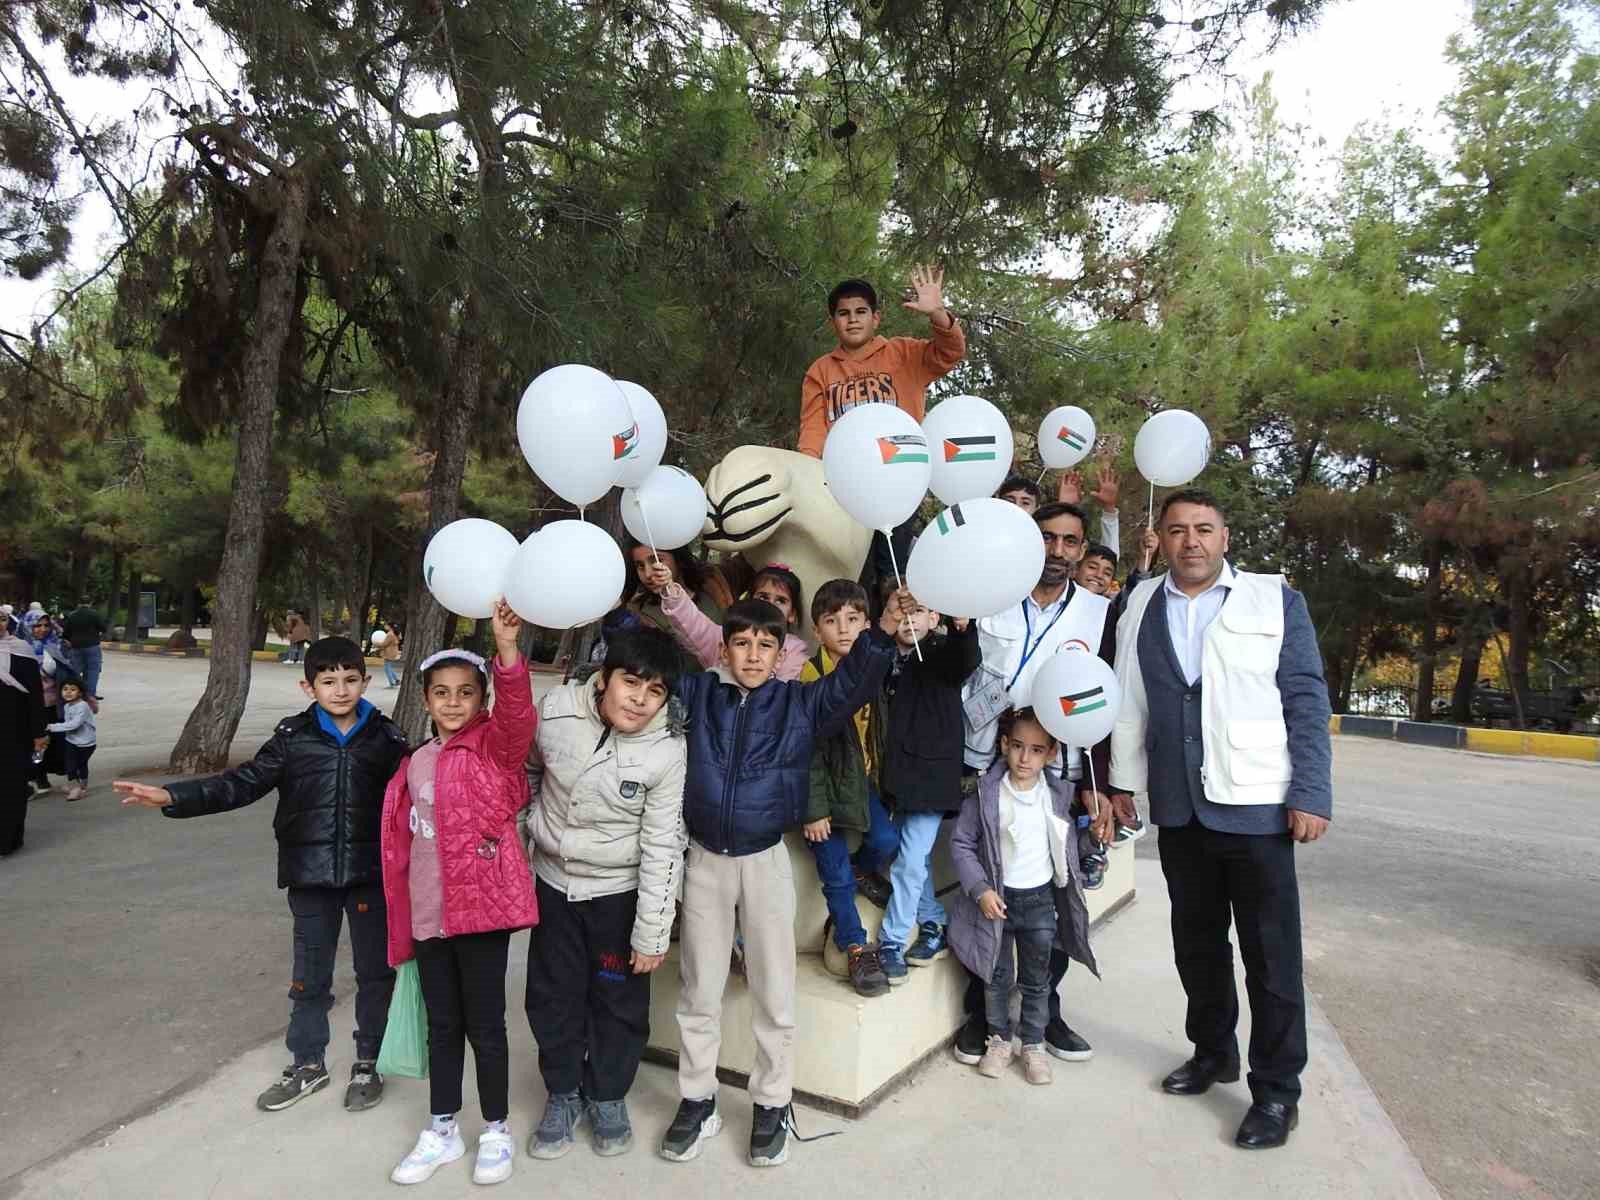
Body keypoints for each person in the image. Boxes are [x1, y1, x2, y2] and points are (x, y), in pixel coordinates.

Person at [1105, 489, 1333, 1151]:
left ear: (1225, 537)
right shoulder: (1140, 603)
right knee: (1197, 945)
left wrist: (1311, 792)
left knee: (1271, 958)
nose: (1191, 542)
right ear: (1163, 539)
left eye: (1203, 529)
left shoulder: (1274, 600)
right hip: (1180, 807)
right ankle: (1213, 1053)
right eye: (1177, 530)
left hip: (1256, 804)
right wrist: (1124, 782)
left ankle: (1277, 1092)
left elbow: (1306, 697)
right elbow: (1129, 698)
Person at [114, 637, 411, 1114]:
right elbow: (243, 782)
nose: (340, 690)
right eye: (328, 681)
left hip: (369, 876)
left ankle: (369, 1060)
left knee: (375, 974)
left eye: (350, 680)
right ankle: (307, 1064)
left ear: (366, 681)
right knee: (309, 978)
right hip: (309, 877)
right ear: (308, 685)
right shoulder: (292, 739)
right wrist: (174, 798)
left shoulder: (388, 740)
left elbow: (420, 796)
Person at [660, 595, 898, 1169]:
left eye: (766, 645)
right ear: (724, 648)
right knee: (699, 989)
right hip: (704, 861)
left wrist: (882, 634)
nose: (753, 655)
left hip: (764, 859)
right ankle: (697, 1098)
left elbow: (851, 685)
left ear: (781, 652)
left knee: (773, 989)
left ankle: (772, 1102)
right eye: (742, 643)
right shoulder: (698, 693)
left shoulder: (799, 704)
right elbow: (641, 689)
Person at [380, 604, 540, 1187]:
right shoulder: (415, 761)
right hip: (428, 917)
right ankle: (442, 1128)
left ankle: (495, 1127)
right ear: (424, 699)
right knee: (442, 1026)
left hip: (480, 914)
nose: (452, 702)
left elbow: (518, 718)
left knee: (486, 1026)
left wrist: (506, 651)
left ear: (481, 700)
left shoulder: (494, 751)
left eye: (466, 693)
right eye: (441, 692)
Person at [953, 501, 1115, 1068]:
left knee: (1053, 899)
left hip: (1060, 769)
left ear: (1082, 549)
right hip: (986, 761)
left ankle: (1045, 1018)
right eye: (1048, 538)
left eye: (1071, 542)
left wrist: (1104, 783)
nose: (1058, 551)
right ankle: (983, 1017)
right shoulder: (991, 595)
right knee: (989, 893)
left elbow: (1108, 697)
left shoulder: (1098, 613)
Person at [521, 627, 687, 1161]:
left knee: (618, 999)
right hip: (554, 885)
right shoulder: (558, 711)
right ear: (604, 679)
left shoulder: (667, 748)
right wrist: (527, 836)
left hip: (617, 893)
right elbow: (526, 773)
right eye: (630, 682)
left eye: (655, 690)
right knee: (553, 993)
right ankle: (563, 1092)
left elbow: (664, 843)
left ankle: (608, 1094)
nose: (639, 698)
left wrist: (652, 932)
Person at [947, 708, 1098, 1086]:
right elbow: (962, 844)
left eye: (1035, 750)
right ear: (1003, 746)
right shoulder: (985, 795)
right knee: (996, 978)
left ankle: (1032, 1044)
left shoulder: (1057, 795)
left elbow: (1067, 847)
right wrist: (980, 889)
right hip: (997, 903)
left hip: (1040, 902)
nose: (1024, 758)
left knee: (1036, 980)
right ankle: (999, 1040)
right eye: (1016, 747)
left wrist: (1093, 837)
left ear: (1051, 754)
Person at [873, 582, 980, 982]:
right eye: (902, 610)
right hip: (892, 780)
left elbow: (963, 658)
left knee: (908, 863)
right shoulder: (883, 657)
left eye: (918, 611)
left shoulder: (939, 656)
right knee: (905, 858)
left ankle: (892, 940)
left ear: (934, 618)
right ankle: (934, 922)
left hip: (930, 781)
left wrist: (962, 627)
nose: (909, 618)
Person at [798, 579, 901, 997]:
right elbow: (804, 750)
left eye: (853, 619)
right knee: (835, 871)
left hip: (858, 782)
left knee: (886, 838)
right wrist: (812, 808)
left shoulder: (873, 667)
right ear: (816, 631)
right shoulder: (809, 678)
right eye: (831, 621)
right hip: (820, 794)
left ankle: (864, 868)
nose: (843, 629)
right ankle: (855, 944)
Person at [797, 267, 966, 458]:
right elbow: (813, 432)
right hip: (846, 477)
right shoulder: (820, 371)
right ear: (832, 323)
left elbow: (951, 352)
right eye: (844, 313)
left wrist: (938, 313)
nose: (852, 319)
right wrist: (807, 467)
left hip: (903, 468)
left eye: (861, 311)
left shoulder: (905, 353)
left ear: (875, 319)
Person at [657, 561, 809, 681]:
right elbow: (693, 624)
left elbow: (786, 697)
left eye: (781, 601)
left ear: (792, 614)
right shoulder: (726, 635)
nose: (769, 604)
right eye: (763, 597)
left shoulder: (794, 651)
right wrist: (671, 590)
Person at [0, 618, 48, 856]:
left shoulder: (22, 651)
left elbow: (35, 696)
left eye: (0, 619)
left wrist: (38, 732)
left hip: (14, 729)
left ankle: (8, 839)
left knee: (11, 785)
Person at [623, 542, 735, 641]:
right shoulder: (637, 614)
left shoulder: (713, 582)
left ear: (678, 558)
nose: (647, 574)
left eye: (656, 561)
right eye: (640, 566)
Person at [47, 677, 96, 801]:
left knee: (81, 765)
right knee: (70, 765)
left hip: (86, 743)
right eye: (65, 689)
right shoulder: (67, 706)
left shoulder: (82, 706)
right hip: (71, 741)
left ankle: (81, 787)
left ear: (80, 693)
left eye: (73, 689)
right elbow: (69, 724)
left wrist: (52, 727)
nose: (68, 692)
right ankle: (76, 787)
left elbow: (74, 724)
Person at [60, 598, 106, 699]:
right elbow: (103, 628)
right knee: (92, 671)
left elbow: (66, 633)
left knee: (75, 671)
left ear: (79, 604)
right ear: (90, 603)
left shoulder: (72, 615)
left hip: (75, 647)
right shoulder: (95, 614)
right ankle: (90, 695)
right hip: (92, 646)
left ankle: (74, 694)